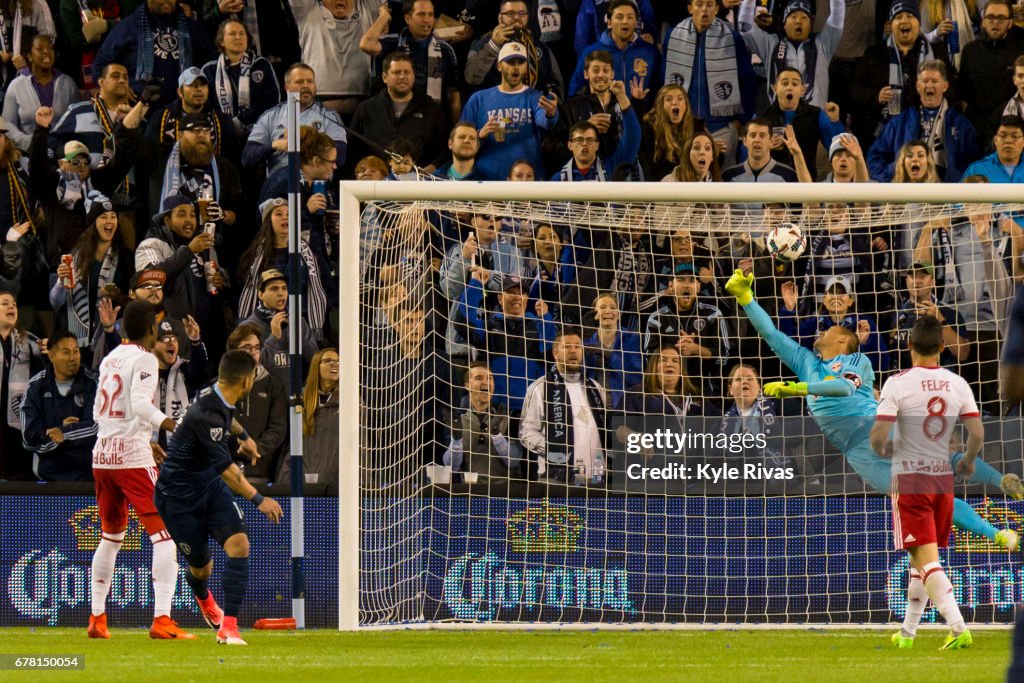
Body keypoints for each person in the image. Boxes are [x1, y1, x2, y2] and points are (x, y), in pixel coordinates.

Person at [724, 269, 1022, 549]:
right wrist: (745, 298)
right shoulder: (806, 363)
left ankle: (1000, 481)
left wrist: (801, 388)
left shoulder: (857, 361)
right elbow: (772, 335)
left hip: (876, 425)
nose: (821, 331)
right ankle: (996, 534)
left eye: (829, 330)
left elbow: (845, 388)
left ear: (843, 339)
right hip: (856, 451)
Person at [155, 349, 283, 646]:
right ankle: (204, 597)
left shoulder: (213, 393)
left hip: (209, 488)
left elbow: (230, 418)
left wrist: (244, 437)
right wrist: (259, 500)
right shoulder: (207, 415)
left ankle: (229, 627)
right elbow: (227, 470)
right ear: (246, 379)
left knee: (239, 545)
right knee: (202, 568)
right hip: (178, 498)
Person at [871, 315, 979, 650]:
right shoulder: (957, 382)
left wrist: (883, 449)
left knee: (927, 561)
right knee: (921, 561)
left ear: (909, 346)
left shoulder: (897, 383)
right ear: (943, 347)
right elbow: (976, 432)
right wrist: (968, 461)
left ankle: (959, 628)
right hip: (942, 480)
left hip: (911, 479)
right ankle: (908, 632)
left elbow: (878, 436)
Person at [87, 300, 193, 640]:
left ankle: (97, 619)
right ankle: (162, 619)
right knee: (165, 535)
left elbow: (98, 411)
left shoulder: (110, 358)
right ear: (151, 329)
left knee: (110, 537)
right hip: (131, 458)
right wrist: (172, 424)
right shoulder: (146, 357)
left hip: (102, 455)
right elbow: (140, 403)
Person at [662, 0, 756, 167]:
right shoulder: (673, 35)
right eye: (699, 4)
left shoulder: (732, 38)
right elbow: (664, 80)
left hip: (721, 127)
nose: (704, 9)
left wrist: (738, 122)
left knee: (724, 182)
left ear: (717, 9)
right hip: (683, 127)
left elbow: (747, 81)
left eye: (710, 4)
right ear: (690, 8)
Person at [520, 327, 608, 484]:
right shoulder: (540, 388)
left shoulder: (596, 388)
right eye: (567, 346)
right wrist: (553, 450)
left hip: (596, 478)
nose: (573, 351)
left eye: (577, 346)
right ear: (555, 353)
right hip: (557, 479)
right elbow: (526, 433)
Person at [461, 41, 559, 180]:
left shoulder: (536, 97)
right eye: (511, 62)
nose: (516, 67)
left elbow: (545, 122)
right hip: (487, 178)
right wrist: (480, 135)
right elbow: (462, 138)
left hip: (526, 180)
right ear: (499, 66)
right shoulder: (478, 99)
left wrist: (551, 114)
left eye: (521, 62)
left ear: (526, 67)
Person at [92, 0, 216, 108]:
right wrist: (119, 88)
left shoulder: (191, 27)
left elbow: (210, 63)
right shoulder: (128, 27)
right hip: (139, 108)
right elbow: (100, 66)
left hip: (183, 109)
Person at [867, 60, 977, 182]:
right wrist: (889, 181)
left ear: (945, 86)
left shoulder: (961, 125)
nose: (929, 86)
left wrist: (961, 187)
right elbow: (875, 156)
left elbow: (974, 163)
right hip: (906, 190)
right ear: (918, 86)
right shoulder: (900, 122)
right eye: (925, 81)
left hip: (946, 193)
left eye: (934, 81)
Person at [360, 0, 462, 122]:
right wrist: (383, 17)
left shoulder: (445, 50)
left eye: (430, 14)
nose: (427, 20)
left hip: (431, 122)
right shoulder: (393, 43)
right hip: (393, 119)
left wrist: (455, 127)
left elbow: (453, 96)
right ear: (408, 18)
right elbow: (366, 44)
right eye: (421, 14)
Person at [242, 62, 348, 176]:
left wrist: (304, 137)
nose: (306, 85)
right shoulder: (270, 116)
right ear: (287, 87)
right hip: (280, 183)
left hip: (317, 184)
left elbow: (340, 157)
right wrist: (275, 145)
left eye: (310, 81)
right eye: (299, 82)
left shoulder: (329, 116)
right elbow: (247, 158)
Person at [348, 51, 447, 171]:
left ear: (413, 76)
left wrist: (431, 168)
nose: (402, 77)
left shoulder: (431, 108)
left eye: (407, 72)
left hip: (419, 183)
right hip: (376, 183)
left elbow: (445, 149)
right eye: (396, 72)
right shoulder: (367, 109)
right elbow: (352, 149)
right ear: (385, 77)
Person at [20, 329, 97, 481]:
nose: (73, 358)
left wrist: (64, 433)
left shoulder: (93, 382)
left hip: (87, 479)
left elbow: (96, 428)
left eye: (76, 351)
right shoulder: (35, 386)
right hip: (47, 479)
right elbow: (29, 439)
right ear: (51, 356)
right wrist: (62, 432)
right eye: (66, 352)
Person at [737, 0, 844, 109]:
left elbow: (837, 19)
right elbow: (745, 27)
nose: (798, 21)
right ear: (784, 24)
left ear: (811, 25)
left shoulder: (822, 45)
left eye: (804, 17)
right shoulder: (771, 44)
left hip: (814, 119)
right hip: (779, 118)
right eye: (793, 17)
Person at [569, 0, 661, 112]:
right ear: (609, 22)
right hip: (603, 123)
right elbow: (574, 93)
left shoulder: (650, 52)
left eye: (630, 17)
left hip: (641, 121)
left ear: (636, 22)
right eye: (619, 17)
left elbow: (659, 90)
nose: (625, 22)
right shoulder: (591, 52)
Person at [225, 323, 287, 483]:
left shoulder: (273, 386)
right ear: (233, 352)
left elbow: (277, 429)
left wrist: (254, 450)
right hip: (224, 471)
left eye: (257, 347)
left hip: (260, 472)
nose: (253, 352)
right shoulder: (219, 386)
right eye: (247, 347)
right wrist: (235, 451)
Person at [957, 0, 1024, 143]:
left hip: (1012, 127)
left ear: (1010, 23)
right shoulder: (970, 51)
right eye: (990, 17)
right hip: (977, 130)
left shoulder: (1020, 50)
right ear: (983, 22)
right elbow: (963, 95)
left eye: (1001, 18)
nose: (995, 22)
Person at [443, 361, 522, 481]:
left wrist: (497, 435)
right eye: (479, 378)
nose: (486, 382)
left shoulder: (508, 415)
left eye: (489, 378)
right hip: (471, 492)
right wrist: (457, 440)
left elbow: (514, 460)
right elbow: (451, 466)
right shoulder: (457, 419)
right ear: (467, 385)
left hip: (504, 492)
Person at [277, 347, 339, 490]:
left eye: (338, 361)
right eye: (328, 361)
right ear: (316, 367)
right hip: (303, 478)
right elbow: (289, 444)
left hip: (336, 482)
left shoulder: (352, 402)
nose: (335, 364)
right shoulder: (299, 401)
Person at [1, 34, 76, 153]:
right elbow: (7, 124)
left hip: (64, 153)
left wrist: (67, 148)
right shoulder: (16, 86)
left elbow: (76, 121)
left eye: (50, 48)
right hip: (28, 154)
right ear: (29, 56)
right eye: (40, 49)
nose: (46, 52)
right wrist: (31, 143)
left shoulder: (68, 84)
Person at [553, 84, 639, 181]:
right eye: (579, 139)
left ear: (597, 145)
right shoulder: (558, 180)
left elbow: (632, 138)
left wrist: (621, 96)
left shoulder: (612, 169)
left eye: (590, 140)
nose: (584, 144)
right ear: (570, 145)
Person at [0, 290, 43, 480]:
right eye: (5, 303)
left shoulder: (29, 342)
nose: (11, 307)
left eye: (14, 304)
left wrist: (48, 351)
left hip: (16, 419)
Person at [584, 292, 642, 409]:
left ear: (619, 314)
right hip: (592, 408)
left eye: (613, 307)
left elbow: (637, 378)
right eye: (602, 307)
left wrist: (609, 355)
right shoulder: (586, 341)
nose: (608, 311)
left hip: (623, 408)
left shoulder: (632, 339)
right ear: (595, 314)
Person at [960, 114, 1024, 182]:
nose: (1008, 140)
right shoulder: (976, 170)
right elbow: (959, 192)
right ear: (995, 140)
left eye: (1014, 136)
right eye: (1003, 135)